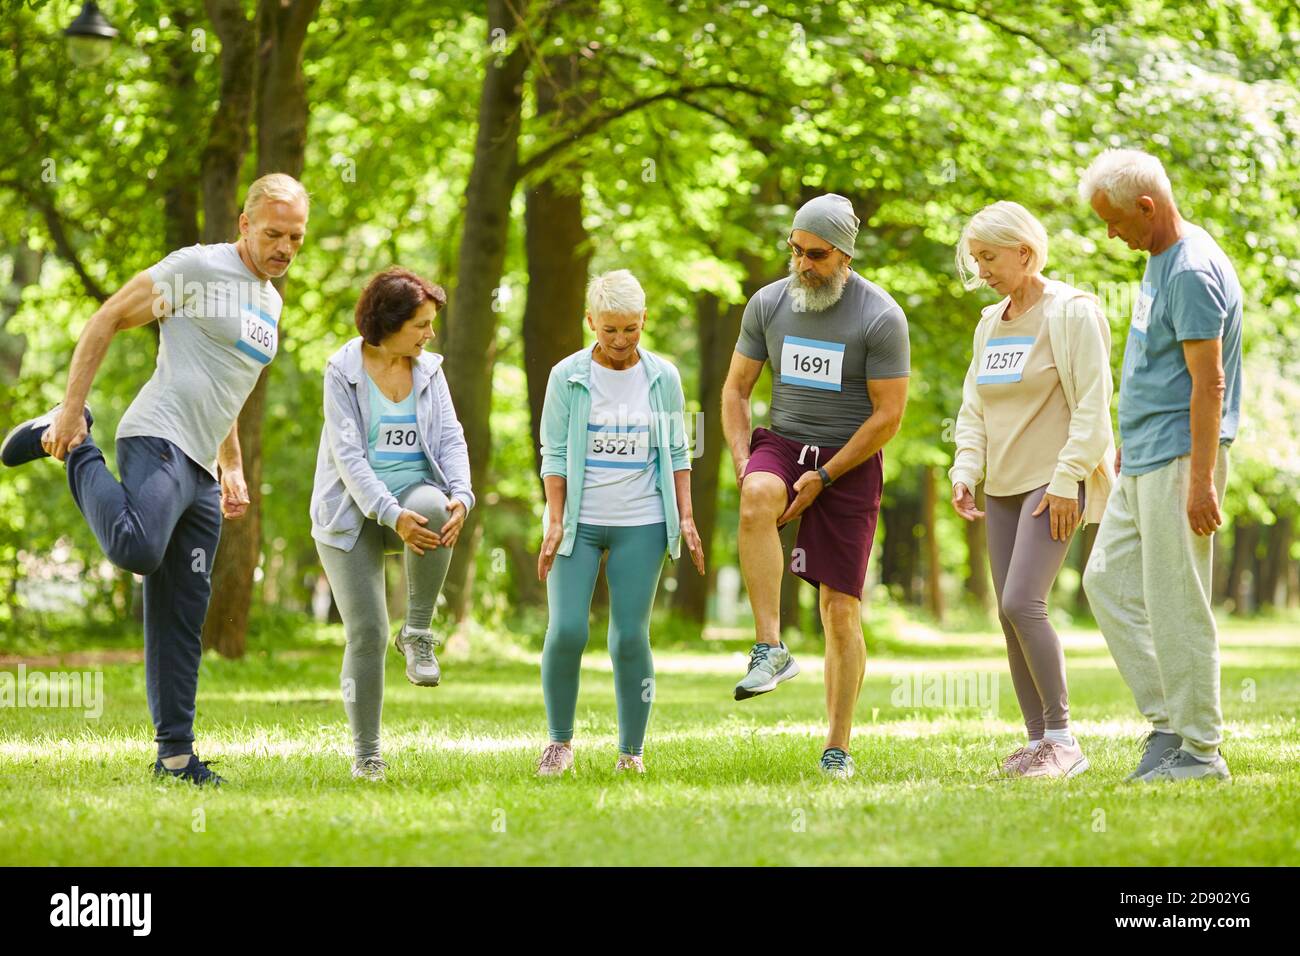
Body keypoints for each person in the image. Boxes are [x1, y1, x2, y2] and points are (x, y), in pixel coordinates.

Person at [0, 173, 310, 787]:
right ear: (245, 225)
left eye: (296, 237)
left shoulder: (270, 302)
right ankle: (73, 440)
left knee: (182, 614)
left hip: (201, 466)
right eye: (274, 233)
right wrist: (69, 410)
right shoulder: (196, 269)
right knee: (137, 547)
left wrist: (233, 465)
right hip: (157, 436)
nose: (284, 247)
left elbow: (227, 386)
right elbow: (107, 318)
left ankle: (176, 759)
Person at [721, 194, 910, 779]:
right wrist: (743, 462)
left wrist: (825, 476)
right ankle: (769, 648)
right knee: (755, 497)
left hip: (848, 459)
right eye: (795, 251)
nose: (802, 263)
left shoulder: (880, 316)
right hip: (782, 441)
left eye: (817, 255)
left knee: (840, 611)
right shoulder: (767, 304)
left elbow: (888, 416)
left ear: (845, 255)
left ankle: (838, 745)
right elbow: (735, 392)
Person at [1079, 149, 1243, 783]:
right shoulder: (1158, 258)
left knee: (1177, 602)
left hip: (1180, 458)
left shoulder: (1191, 271)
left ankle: (1201, 753)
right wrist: (1126, 436)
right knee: (1108, 583)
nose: (1111, 234)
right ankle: (1169, 721)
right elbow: (1156, 361)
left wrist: (1201, 482)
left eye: (1116, 222)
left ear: (1147, 207)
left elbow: (1210, 386)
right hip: (1142, 454)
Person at [949, 201, 1116, 779]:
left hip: (1053, 481)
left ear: (1025, 250)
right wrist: (965, 470)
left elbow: (1094, 406)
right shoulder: (990, 323)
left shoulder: (1072, 312)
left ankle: (1065, 742)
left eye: (989, 257)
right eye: (976, 260)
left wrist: (1070, 477)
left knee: (1025, 602)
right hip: (1004, 485)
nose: (982, 270)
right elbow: (974, 406)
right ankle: (1037, 743)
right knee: (1007, 613)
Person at [535, 269, 705, 776]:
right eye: (609, 329)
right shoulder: (567, 377)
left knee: (630, 637)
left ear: (644, 321)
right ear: (590, 321)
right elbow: (555, 453)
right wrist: (556, 520)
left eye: (631, 329)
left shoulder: (663, 377)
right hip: (579, 523)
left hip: (642, 520)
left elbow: (677, 450)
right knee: (567, 630)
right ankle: (559, 743)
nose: (620, 340)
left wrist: (688, 518)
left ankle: (631, 752)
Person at [311, 268, 473, 783]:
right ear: (387, 322)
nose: (429, 335)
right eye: (420, 325)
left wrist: (463, 496)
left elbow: (451, 438)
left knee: (436, 504)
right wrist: (390, 514)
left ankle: (420, 631)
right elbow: (349, 458)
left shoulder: (429, 370)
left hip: (413, 500)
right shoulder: (342, 371)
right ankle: (367, 755)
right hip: (351, 512)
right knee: (367, 632)